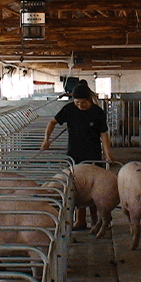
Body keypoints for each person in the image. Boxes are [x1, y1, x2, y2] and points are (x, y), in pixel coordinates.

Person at [41, 84, 114, 229]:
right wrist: (46, 140)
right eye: (77, 102)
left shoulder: (98, 112)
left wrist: (107, 154)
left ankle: (95, 219)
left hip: (93, 155)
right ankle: (80, 220)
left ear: (90, 99)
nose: (80, 105)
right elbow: (52, 122)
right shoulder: (69, 109)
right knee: (75, 189)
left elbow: (104, 135)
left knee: (94, 188)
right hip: (74, 155)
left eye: (83, 102)